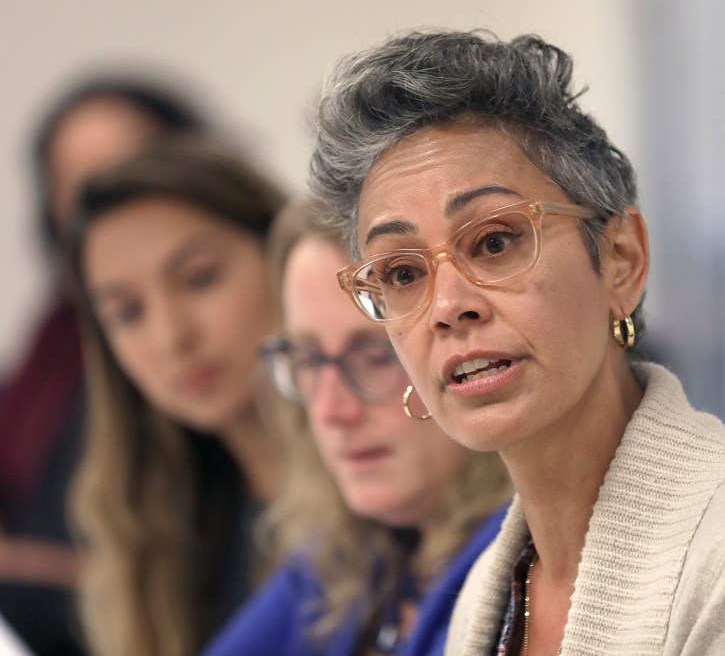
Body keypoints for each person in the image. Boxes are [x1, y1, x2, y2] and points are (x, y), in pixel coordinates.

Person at [307, 30, 725, 655]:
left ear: (620, 260)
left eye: (495, 241)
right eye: (403, 274)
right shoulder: (485, 593)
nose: (449, 307)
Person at [203, 201, 512, 656]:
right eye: (308, 359)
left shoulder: (530, 565)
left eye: (375, 355)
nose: (331, 410)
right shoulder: (345, 558)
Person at [0, 74, 207, 655]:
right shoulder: (55, 342)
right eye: (82, 182)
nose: (169, 336)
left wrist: (20, 564)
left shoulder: (191, 371)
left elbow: (173, 570)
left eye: (200, 279)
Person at [63, 136, 287, 656]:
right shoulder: (151, 535)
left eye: (199, 278)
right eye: (127, 313)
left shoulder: (391, 486)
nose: (171, 337)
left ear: (283, 258)